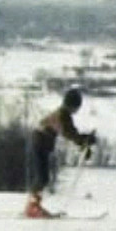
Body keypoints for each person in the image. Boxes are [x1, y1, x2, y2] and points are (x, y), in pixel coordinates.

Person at [25, 88, 97, 218]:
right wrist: (83, 141)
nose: (77, 110)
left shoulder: (63, 115)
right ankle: (32, 208)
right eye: (77, 106)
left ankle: (33, 206)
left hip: (40, 143)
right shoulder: (62, 115)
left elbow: (71, 133)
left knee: (42, 177)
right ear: (73, 105)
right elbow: (69, 133)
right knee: (42, 177)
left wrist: (83, 143)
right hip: (39, 143)